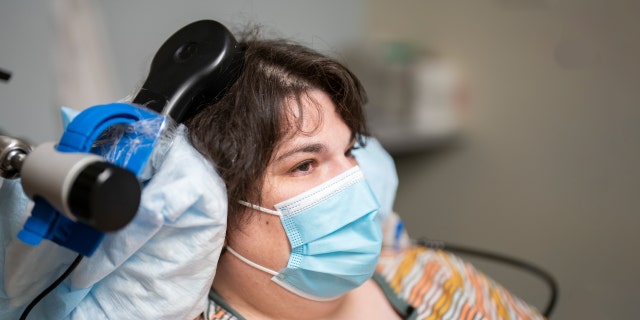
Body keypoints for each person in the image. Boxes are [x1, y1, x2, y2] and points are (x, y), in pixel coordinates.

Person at [185, 35, 545, 320]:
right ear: (213, 203)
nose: (355, 182)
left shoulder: (433, 274)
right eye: (305, 164)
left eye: (351, 151)